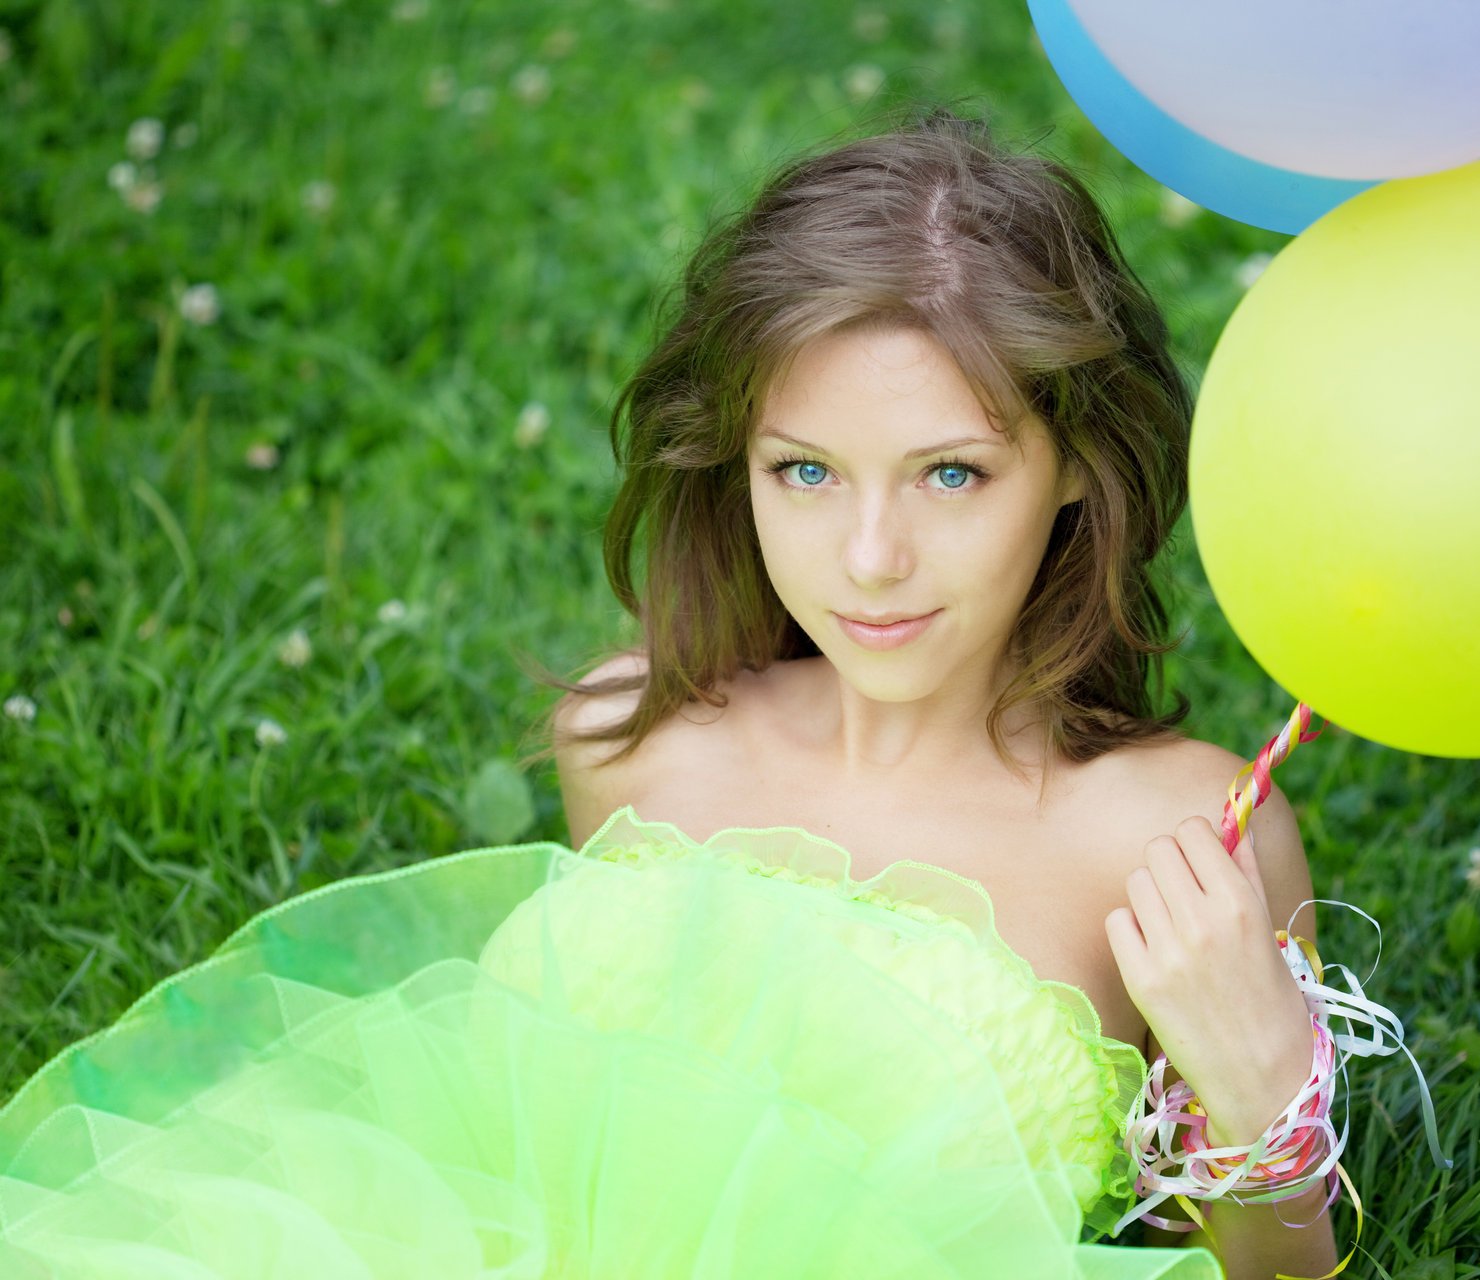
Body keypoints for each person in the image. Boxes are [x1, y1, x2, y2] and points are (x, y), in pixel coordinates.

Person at [0, 105, 1356, 1278]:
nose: (871, 560)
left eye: (951, 473)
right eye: (805, 473)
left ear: (1076, 468)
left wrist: (1258, 1094)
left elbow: (1258, 1278)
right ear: (734, 468)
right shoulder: (628, 737)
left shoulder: (1182, 851)